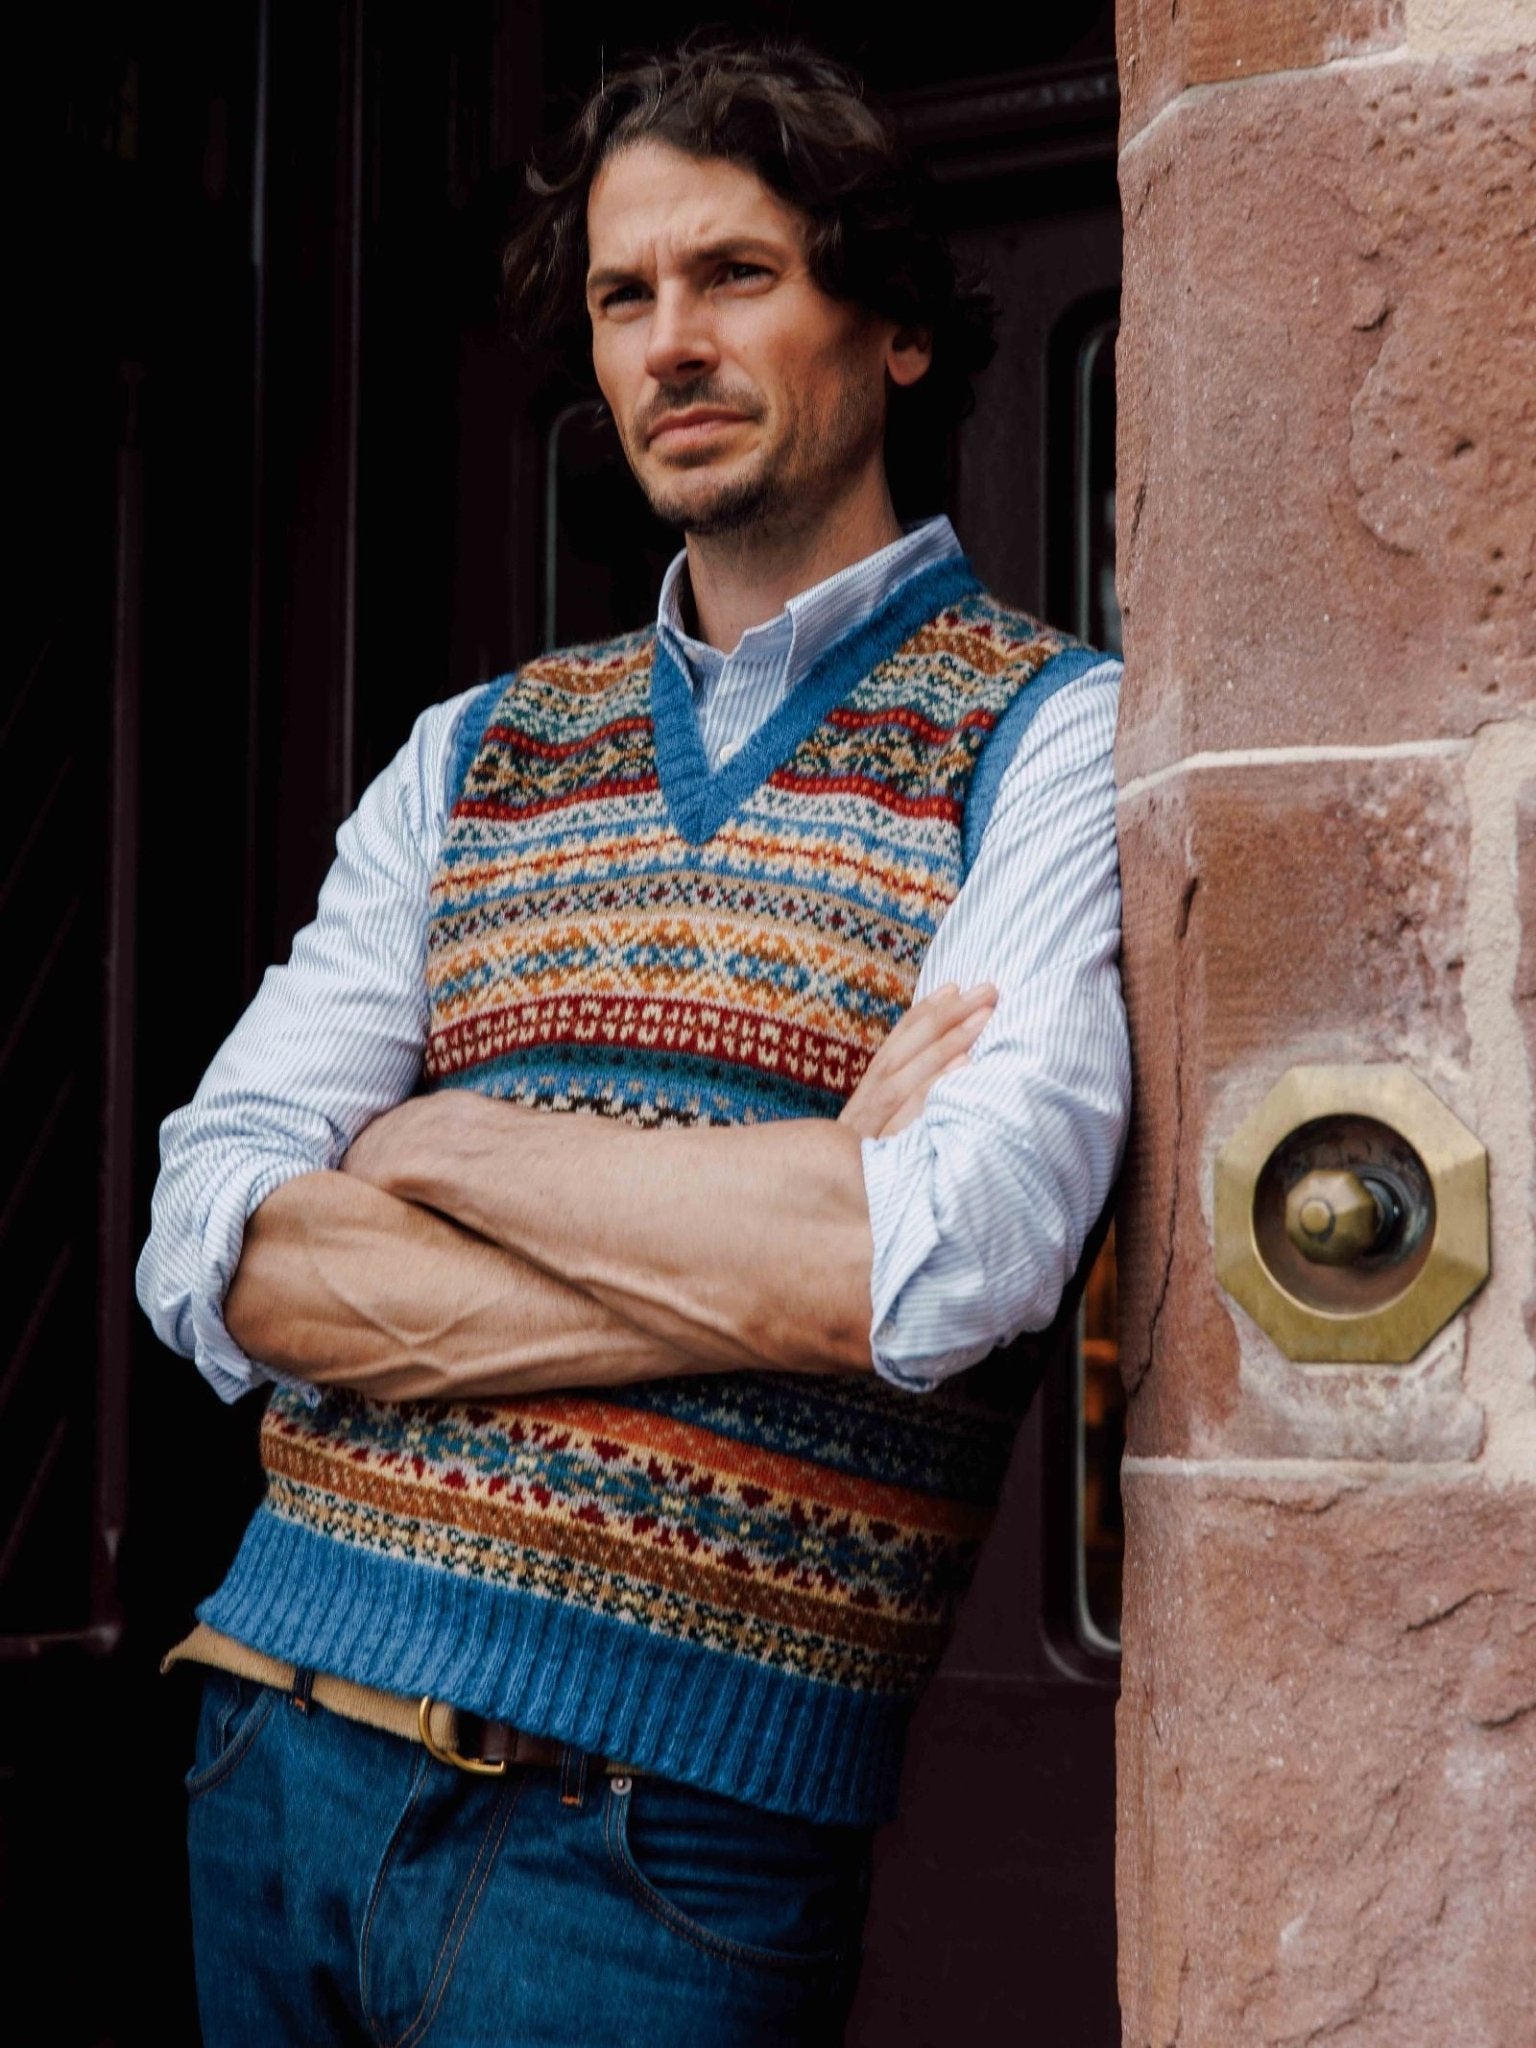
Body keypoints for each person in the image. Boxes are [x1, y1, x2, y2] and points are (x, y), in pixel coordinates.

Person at [137, 36, 1130, 2048]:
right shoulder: (475, 753)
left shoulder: (1056, 738)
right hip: (272, 1751)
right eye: (622, 296)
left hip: (657, 1841)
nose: (670, 341)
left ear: (897, 327)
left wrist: (442, 1147)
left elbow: (946, 1259)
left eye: (734, 275)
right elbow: (212, 1241)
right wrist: (783, 1214)